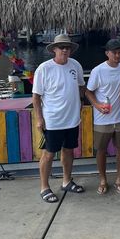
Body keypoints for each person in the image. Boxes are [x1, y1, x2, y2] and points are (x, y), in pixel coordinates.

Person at [33, 34, 85, 203]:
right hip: (53, 120)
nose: (65, 50)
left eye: (67, 47)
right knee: (48, 154)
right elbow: (36, 97)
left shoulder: (75, 65)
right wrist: (39, 119)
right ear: (54, 49)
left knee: (69, 150)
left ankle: (66, 181)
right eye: (61, 47)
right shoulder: (44, 68)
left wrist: (80, 104)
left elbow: (81, 87)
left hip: (72, 119)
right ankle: (44, 187)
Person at [85, 39, 120, 195]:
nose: (117, 55)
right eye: (114, 52)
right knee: (101, 150)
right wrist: (97, 105)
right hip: (103, 118)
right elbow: (88, 91)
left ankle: (119, 179)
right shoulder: (98, 71)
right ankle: (103, 179)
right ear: (107, 53)